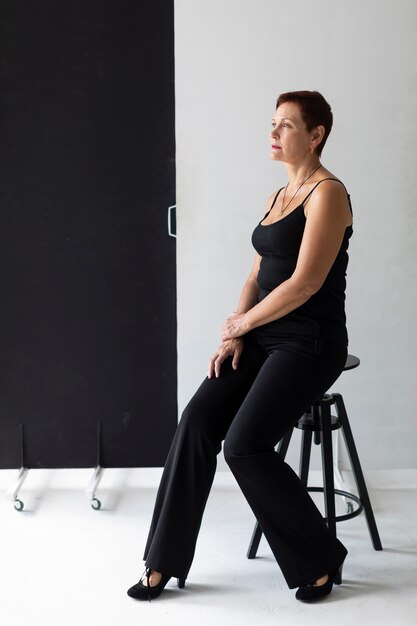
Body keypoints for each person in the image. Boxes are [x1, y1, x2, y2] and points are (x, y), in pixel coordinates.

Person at [127, 90, 353, 603]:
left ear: (315, 135)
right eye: (272, 124)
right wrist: (238, 332)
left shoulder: (328, 194)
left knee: (244, 445)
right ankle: (161, 562)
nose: (273, 134)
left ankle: (319, 557)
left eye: (286, 126)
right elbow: (257, 270)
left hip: (310, 340)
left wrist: (242, 324)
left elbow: (305, 283)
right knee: (197, 421)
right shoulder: (278, 196)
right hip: (265, 333)